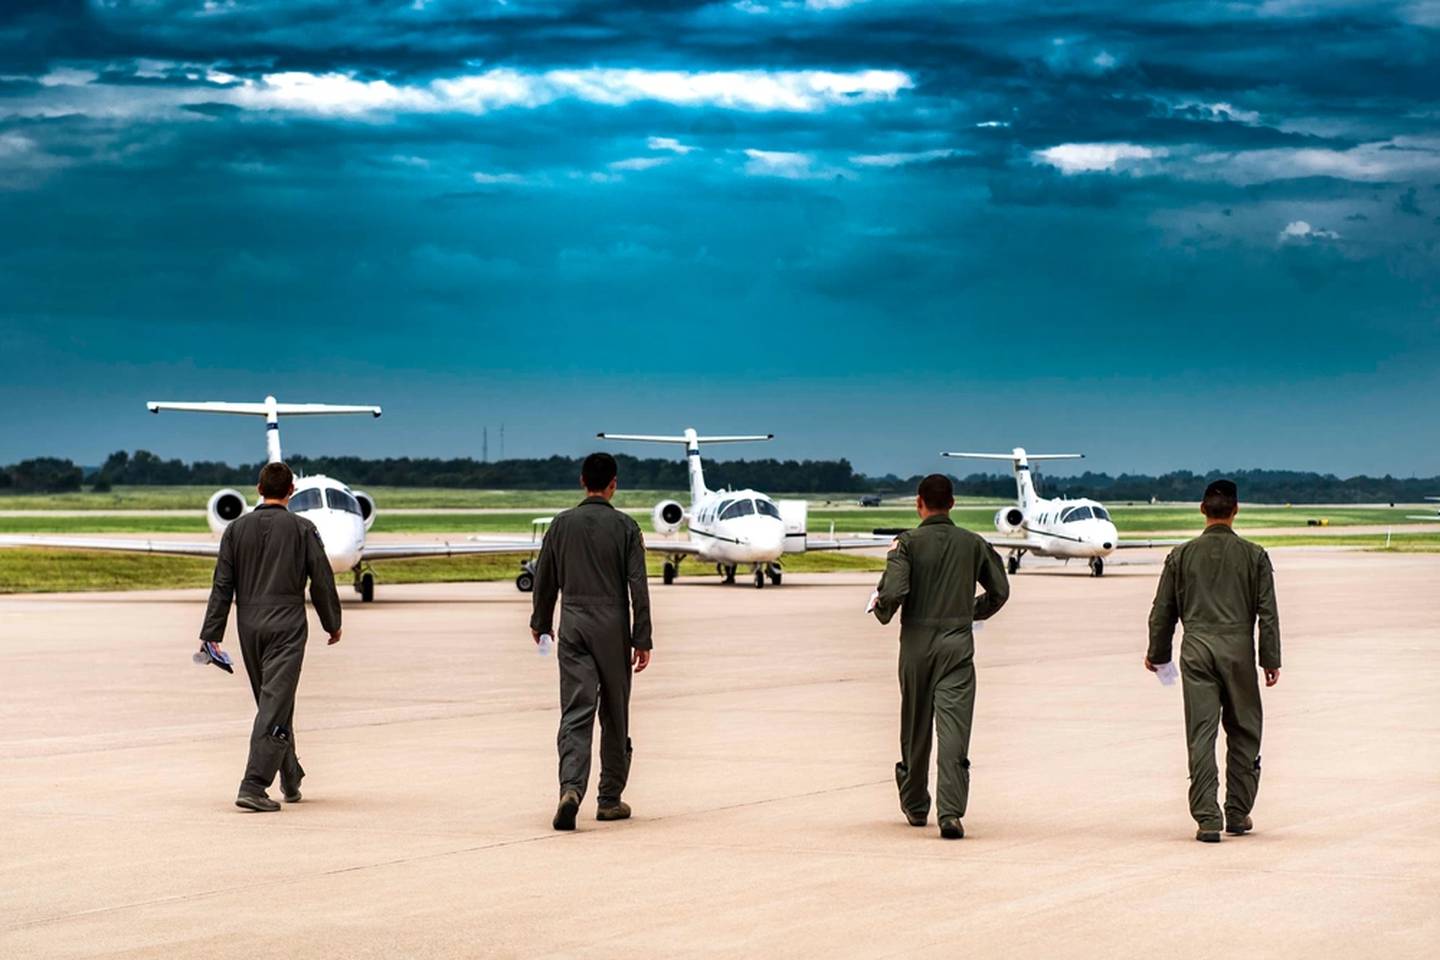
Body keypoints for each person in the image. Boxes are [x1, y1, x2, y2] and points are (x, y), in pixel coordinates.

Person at [870, 474, 1009, 839]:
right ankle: (950, 813)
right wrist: (968, 612)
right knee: (954, 730)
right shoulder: (973, 543)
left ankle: (916, 805)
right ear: (953, 503)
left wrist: (882, 608)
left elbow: (896, 588)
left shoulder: (907, 544)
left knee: (915, 727)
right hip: (957, 646)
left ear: (920, 503)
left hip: (916, 643)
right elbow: (1000, 591)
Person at [200, 461, 343, 812]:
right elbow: (321, 580)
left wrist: (211, 633)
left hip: (249, 625)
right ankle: (253, 784)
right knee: (274, 706)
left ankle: (291, 776)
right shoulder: (302, 529)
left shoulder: (235, 530)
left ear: (258, 489)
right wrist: (332, 623)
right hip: (288, 627)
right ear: (291, 491)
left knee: (274, 704)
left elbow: (222, 585)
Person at [1146, 478, 1281, 843]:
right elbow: (1267, 613)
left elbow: (1163, 612)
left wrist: (1157, 654)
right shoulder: (1255, 556)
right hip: (1238, 650)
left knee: (1201, 733)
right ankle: (1237, 811)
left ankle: (1207, 817)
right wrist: (1270, 659)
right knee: (1245, 730)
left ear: (1202, 509)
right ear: (1236, 511)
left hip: (1196, 650)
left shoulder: (1181, 555)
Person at [530, 452, 653, 831]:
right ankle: (609, 799)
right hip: (613, 626)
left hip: (574, 624)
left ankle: (570, 788)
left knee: (576, 711)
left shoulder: (561, 525)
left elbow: (545, 578)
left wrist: (541, 622)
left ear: (583, 481)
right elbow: (638, 586)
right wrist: (642, 637)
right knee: (614, 713)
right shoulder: (627, 528)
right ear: (613, 484)